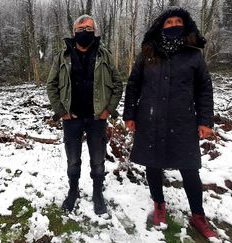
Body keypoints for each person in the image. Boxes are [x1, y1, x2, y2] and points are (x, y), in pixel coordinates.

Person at [123, 8, 218, 239]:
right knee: (152, 164)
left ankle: (198, 215)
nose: (173, 25)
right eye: (169, 22)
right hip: (150, 118)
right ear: (160, 26)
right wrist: (130, 115)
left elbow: (204, 88)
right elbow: (133, 84)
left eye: (178, 21)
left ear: (185, 26)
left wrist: (205, 121)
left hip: (183, 120)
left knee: (189, 168)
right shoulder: (147, 53)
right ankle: (159, 204)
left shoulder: (194, 55)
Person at [47, 15, 123, 215]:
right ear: (74, 32)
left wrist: (109, 110)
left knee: (98, 162)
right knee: (73, 161)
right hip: (71, 119)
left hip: (97, 119)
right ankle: (73, 191)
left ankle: (98, 193)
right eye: (81, 29)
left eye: (89, 29)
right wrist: (61, 111)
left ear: (95, 31)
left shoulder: (104, 55)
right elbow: (51, 85)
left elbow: (117, 84)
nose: (85, 33)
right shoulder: (62, 56)